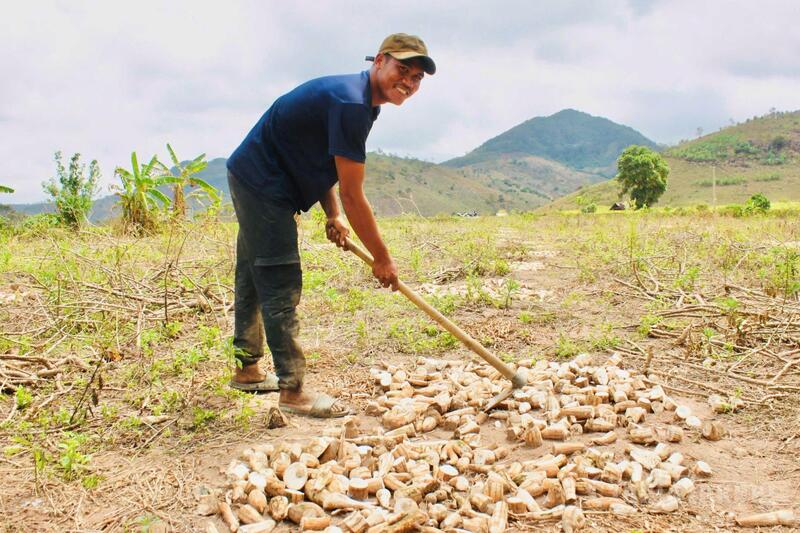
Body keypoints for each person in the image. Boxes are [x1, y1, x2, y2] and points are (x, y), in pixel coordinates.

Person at [225, 34, 436, 418]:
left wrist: (332, 213)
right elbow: (355, 195)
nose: (408, 81)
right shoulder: (351, 103)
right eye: (402, 69)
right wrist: (381, 257)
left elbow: (324, 161)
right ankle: (293, 391)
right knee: (278, 278)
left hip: (254, 176)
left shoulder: (361, 102)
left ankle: (247, 369)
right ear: (379, 61)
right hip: (263, 184)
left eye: (417, 77)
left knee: (253, 274)